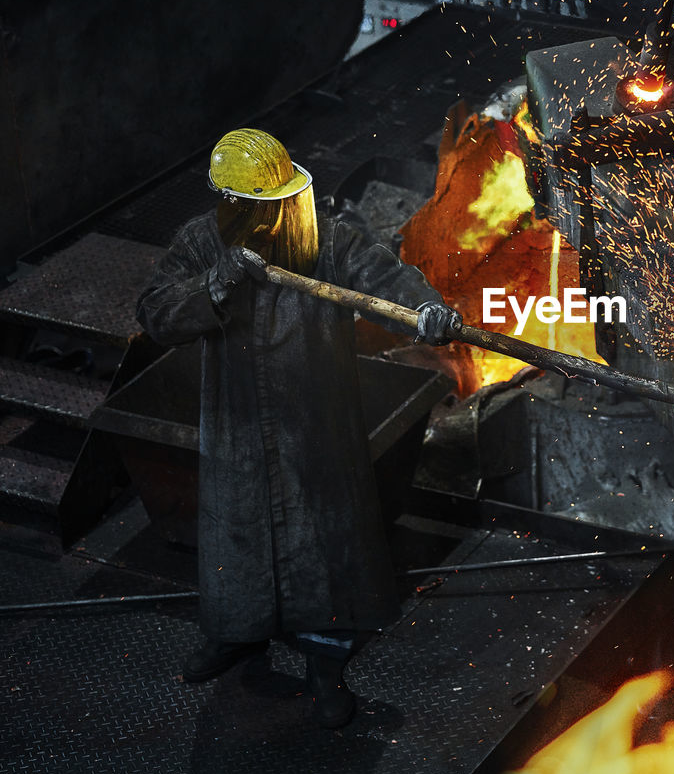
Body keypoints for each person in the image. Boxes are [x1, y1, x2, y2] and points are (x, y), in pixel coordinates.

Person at [136, 128, 457, 728]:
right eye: (256, 208)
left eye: (275, 207)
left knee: (323, 549)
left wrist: (425, 310)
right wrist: (214, 284)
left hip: (313, 428)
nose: (269, 219)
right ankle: (234, 635)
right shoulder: (202, 245)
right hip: (236, 430)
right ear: (231, 205)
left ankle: (325, 668)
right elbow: (156, 313)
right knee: (238, 539)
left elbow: (384, 281)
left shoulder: (326, 243)